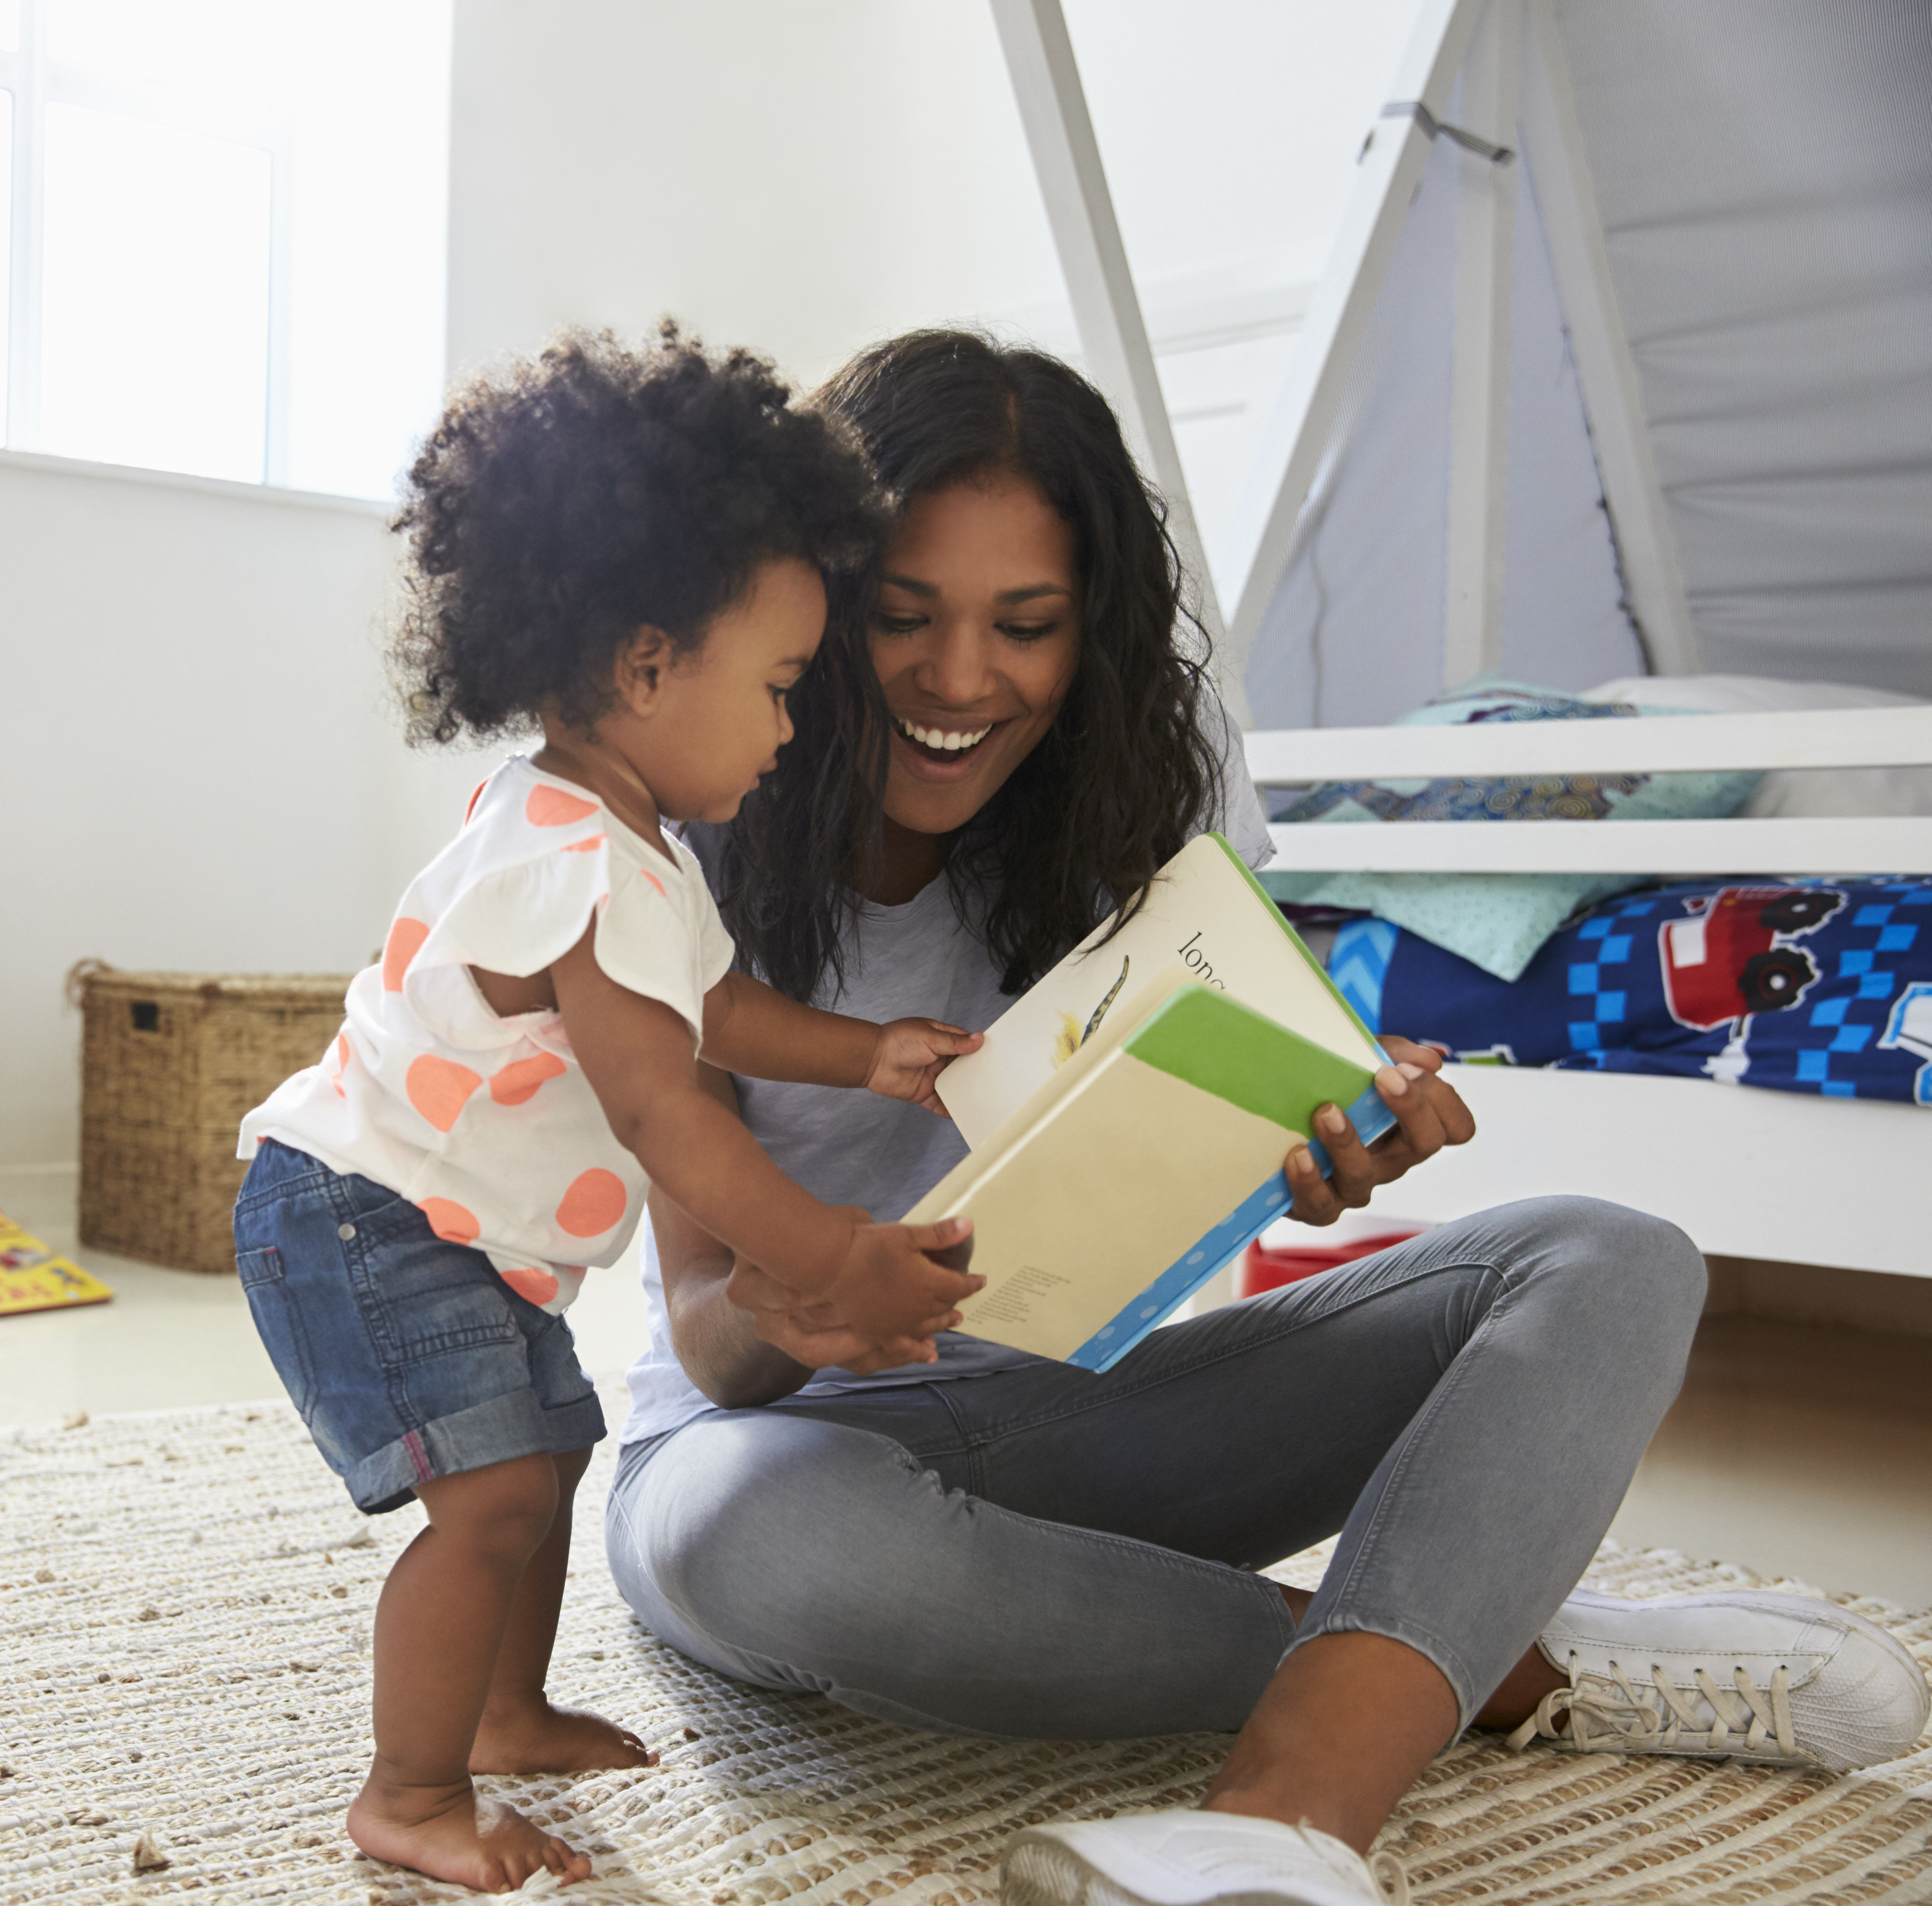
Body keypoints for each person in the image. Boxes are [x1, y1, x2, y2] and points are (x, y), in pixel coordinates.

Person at [607, 328, 1930, 1906]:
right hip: (777, 1440)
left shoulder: (1143, 800)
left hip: (1078, 1406)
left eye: (1025, 627)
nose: (962, 681)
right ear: (810, 612)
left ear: (1088, 637)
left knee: (1612, 1258)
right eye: (903, 618)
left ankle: (1281, 1824)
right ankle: (1470, 1664)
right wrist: (799, 1307)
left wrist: (1301, 1161)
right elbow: (704, 1332)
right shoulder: (679, 834)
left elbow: (1186, 1166)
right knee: (751, 1542)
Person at [233, 326, 989, 1893]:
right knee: (493, 1495)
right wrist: (834, 1256)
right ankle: (408, 1788)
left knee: (553, 1453)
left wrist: (869, 1055)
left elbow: (717, 1016)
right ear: (647, 665)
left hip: (442, 1223)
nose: (793, 733)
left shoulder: (622, 843)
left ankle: (504, 1709)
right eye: (780, 689)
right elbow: (669, 1116)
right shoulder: (576, 864)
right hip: (361, 1214)